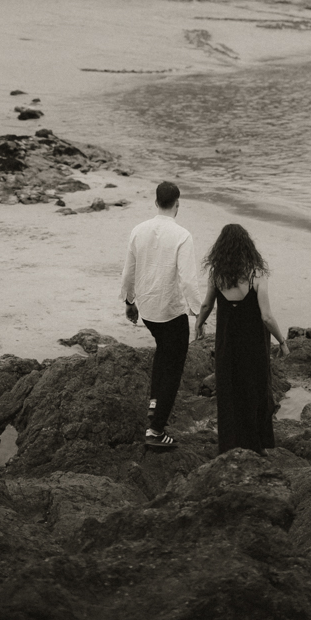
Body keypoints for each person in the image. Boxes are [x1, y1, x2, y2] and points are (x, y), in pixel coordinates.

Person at [119, 180, 201, 451]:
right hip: (171, 313)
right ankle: (155, 431)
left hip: (149, 311)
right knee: (172, 370)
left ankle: (153, 409)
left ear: (156, 202)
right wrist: (199, 313)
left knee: (162, 357)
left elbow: (128, 272)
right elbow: (188, 281)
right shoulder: (182, 235)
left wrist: (130, 302)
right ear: (178, 204)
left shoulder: (138, 230)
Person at [195, 223, 289, 455]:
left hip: (227, 344)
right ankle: (257, 445)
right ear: (248, 246)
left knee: (229, 392)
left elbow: (206, 305)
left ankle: (229, 445)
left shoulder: (217, 275)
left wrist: (199, 323)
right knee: (256, 390)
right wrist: (282, 341)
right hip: (254, 345)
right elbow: (266, 316)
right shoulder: (257, 275)